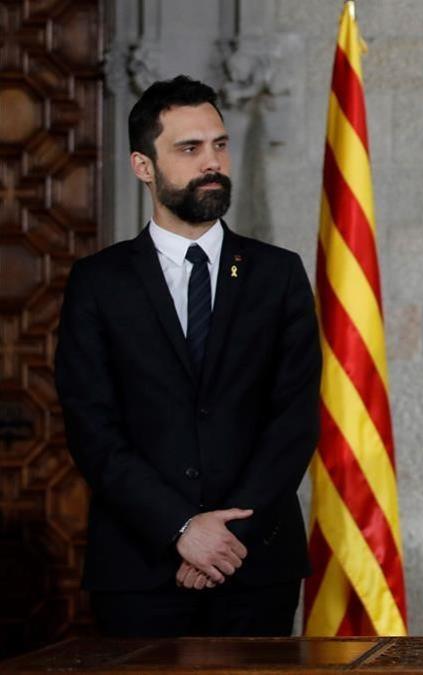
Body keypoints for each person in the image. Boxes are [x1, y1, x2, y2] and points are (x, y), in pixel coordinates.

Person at [55, 75, 320, 637]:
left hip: (256, 565)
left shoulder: (279, 274)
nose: (212, 162)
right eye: (189, 148)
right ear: (143, 166)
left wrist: (223, 541)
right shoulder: (98, 283)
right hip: (140, 567)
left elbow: (293, 421)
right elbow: (92, 428)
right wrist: (181, 528)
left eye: (219, 144)